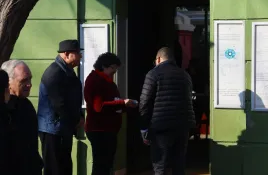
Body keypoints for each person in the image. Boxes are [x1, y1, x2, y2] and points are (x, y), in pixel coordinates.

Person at [139, 47, 196, 175]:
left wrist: (144, 127)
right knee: (179, 164)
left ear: (158, 59)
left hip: (161, 126)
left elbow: (145, 101)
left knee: (160, 165)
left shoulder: (153, 74)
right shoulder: (185, 75)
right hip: (182, 126)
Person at [84, 52, 137, 175]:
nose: (115, 71)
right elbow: (99, 107)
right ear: (104, 66)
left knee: (107, 165)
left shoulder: (108, 81)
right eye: (113, 67)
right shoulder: (95, 80)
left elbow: (113, 102)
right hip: (99, 130)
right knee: (101, 165)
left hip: (108, 129)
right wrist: (123, 103)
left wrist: (125, 105)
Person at [37, 39, 84, 175]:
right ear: (66, 54)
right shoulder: (54, 73)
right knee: (54, 168)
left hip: (63, 128)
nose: (80, 56)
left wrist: (80, 116)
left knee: (64, 167)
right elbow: (59, 104)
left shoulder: (67, 71)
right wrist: (76, 119)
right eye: (77, 53)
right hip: (52, 129)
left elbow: (73, 99)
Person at [1, 60, 43, 175]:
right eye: (24, 80)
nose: (29, 84)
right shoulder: (0, 108)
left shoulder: (26, 105)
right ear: (8, 81)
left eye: (30, 79)